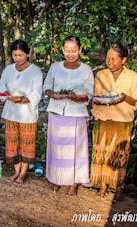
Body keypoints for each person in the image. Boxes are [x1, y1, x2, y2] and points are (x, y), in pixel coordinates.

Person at [90, 43, 137, 202]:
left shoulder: (133, 77)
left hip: (122, 120)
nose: (110, 62)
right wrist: (102, 101)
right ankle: (104, 185)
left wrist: (124, 97)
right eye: (108, 58)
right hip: (104, 118)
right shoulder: (101, 75)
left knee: (119, 155)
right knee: (102, 152)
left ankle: (118, 187)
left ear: (124, 60)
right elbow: (95, 97)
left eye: (114, 58)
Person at [43, 35, 94, 195]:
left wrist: (79, 97)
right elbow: (47, 87)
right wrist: (53, 94)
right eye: (67, 50)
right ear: (62, 50)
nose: (70, 54)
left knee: (75, 149)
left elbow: (90, 93)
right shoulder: (55, 67)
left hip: (76, 114)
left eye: (74, 50)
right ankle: (56, 178)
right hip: (57, 111)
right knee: (56, 148)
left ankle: (73, 182)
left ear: (79, 50)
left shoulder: (86, 69)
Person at [0, 40, 43, 184]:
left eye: (21, 55)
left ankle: (23, 173)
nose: (18, 58)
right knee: (12, 142)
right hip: (11, 112)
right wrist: (6, 95)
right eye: (15, 55)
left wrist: (22, 100)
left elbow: (36, 93)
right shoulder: (8, 70)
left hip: (28, 114)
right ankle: (16, 171)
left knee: (26, 144)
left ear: (27, 54)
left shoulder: (35, 71)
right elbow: (0, 88)